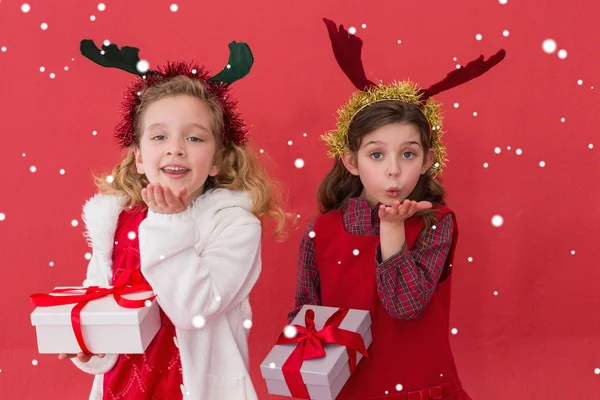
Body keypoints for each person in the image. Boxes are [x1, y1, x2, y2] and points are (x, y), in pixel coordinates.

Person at [288, 18, 506, 399]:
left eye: (408, 153)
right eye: (377, 154)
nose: (393, 169)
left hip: (417, 383)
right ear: (352, 161)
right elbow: (305, 316)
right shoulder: (320, 230)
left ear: (426, 160)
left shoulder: (437, 223)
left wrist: (391, 231)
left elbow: (405, 305)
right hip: (347, 388)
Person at [61, 39, 286, 400]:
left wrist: (171, 223)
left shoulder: (234, 225)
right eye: (160, 136)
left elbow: (192, 311)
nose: (175, 147)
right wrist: (88, 346)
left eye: (194, 137)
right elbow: (103, 311)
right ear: (138, 157)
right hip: (122, 389)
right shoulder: (115, 223)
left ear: (216, 160)